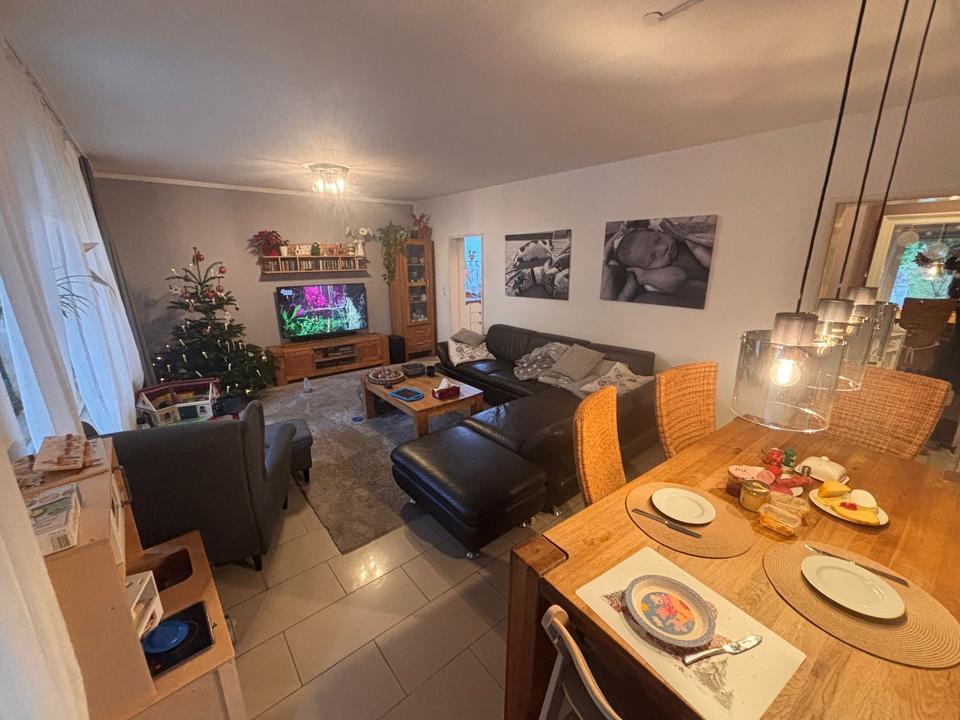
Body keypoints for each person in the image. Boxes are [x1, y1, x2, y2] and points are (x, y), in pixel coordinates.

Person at [600, 219, 712, 305]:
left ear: (656, 231)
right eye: (653, 257)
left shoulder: (676, 238)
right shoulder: (654, 277)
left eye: (658, 239)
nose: (663, 248)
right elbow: (679, 276)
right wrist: (644, 275)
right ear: (643, 268)